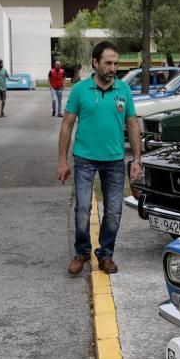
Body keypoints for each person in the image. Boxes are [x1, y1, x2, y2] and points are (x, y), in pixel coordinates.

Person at [57, 41, 141, 275]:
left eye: (115, 63)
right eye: (108, 63)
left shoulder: (123, 90)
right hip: (84, 158)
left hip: (114, 160)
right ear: (95, 63)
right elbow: (67, 126)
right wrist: (62, 161)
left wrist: (137, 159)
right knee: (82, 208)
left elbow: (132, 124)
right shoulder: (80, 90)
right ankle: (82, 252)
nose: (113, 68)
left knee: (113, 211)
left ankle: (106, 255)